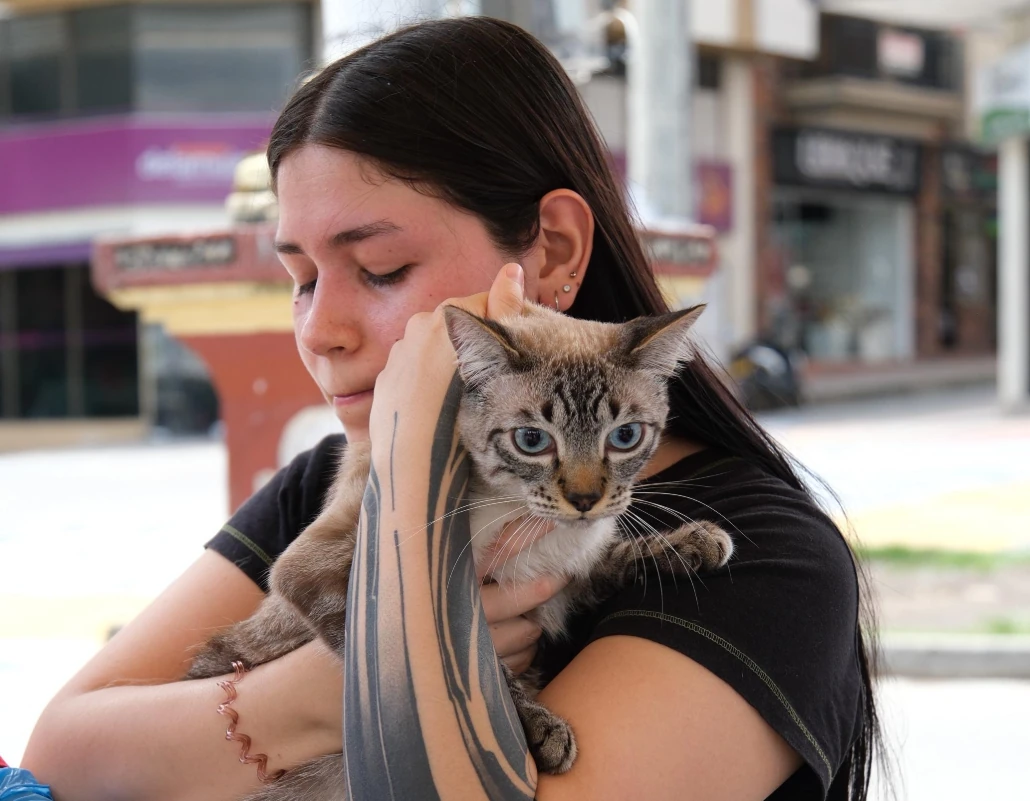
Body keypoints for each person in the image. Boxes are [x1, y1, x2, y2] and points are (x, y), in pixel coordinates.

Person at [23, 16, 881, 801]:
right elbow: (59, 755)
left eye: (383, 269)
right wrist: (322, 693)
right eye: (301, 280)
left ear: (553, 251)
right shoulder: (328, 480)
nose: (321, 330)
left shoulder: (767, 564)